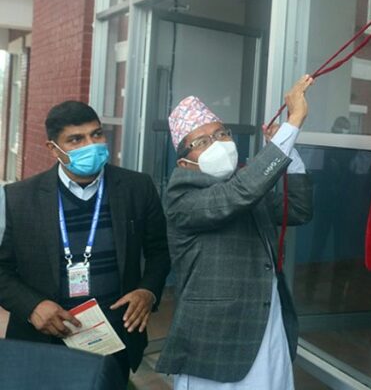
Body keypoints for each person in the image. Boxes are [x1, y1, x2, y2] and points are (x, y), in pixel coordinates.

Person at [156, 75, 314, 389]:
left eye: (221, 133)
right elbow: (237, 195)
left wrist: (289, 150)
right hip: (216, 341)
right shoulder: (181, 196)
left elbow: (297, 209)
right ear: (185, 163)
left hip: (265, 323)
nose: (218, 143)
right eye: (202, 142)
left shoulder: (243, 183)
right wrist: (293, 122)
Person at [0, 101, 171, 384]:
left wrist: (148, 291)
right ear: (53, 149)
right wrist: (32, 307)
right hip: (41, 344)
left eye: (96, 134)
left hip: (113, 342)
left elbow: (159, 252)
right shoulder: (18, 198)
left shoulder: (137, 188)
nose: (91, 145)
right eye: (76, 139)